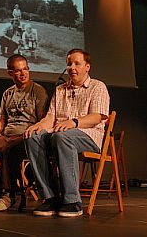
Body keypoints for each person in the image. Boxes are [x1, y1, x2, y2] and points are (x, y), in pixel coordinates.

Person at [24, 48, 110, 217]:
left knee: (61, 137)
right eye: (69, 64)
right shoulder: (60, 89)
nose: (72, 67)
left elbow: (97, 117)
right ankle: (50, 197)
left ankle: (72, 201)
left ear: (87, 67)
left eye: (77, 63)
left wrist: (74, 122)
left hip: (89, 135)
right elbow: (51, 117)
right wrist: (39, 125)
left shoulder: (97, 87)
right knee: (32, 137)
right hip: (60, 134)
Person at [0, 54, 48, 211]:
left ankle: (9, 194)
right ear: (10, 73)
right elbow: (2, 121)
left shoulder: (38, 91)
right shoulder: (7, 93)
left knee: (8, 150)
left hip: (25, 136)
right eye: (18, 70)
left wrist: (33, 132)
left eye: (25, 69)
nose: (23, 73)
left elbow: (42, 121)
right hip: (6, 135)